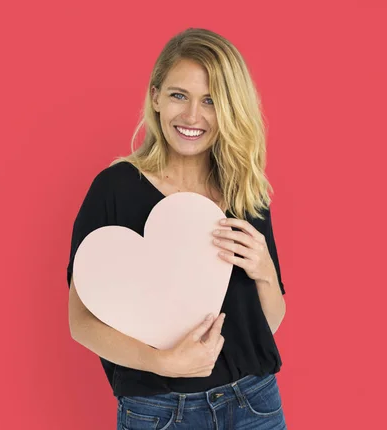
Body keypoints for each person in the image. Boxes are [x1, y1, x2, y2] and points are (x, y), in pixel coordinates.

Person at [66, 28, 287, 429]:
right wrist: (161, 361)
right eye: (178, 95)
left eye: (210, 101)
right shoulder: (113, 188)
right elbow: (80, 321)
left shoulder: (244, 191)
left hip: (254, 402)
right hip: (159, 411)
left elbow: (268, 323)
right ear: (155, 97)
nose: (191, 117)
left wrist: (265, 272)